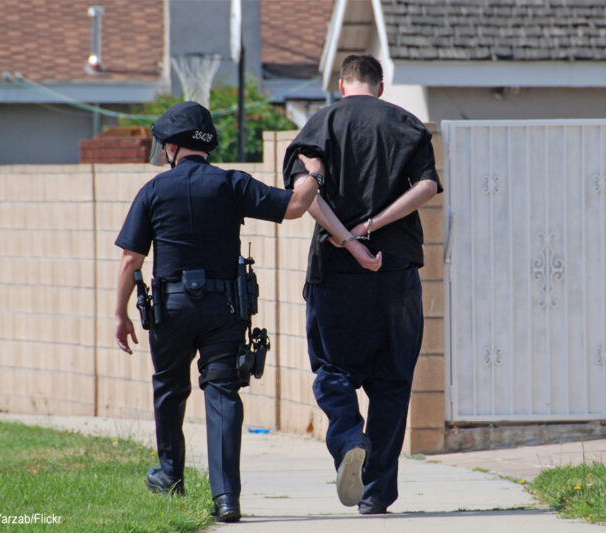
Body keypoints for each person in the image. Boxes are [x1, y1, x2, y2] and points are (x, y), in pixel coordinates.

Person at [114, 101, 323, 522]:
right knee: (223, 394)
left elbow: (130, 261)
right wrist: (314, 169)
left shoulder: (153, 191)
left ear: (172, 147)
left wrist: (119, 314)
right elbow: (297, 205)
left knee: (170, 390)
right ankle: (227, 498)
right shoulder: (231, 183)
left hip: (170, 311)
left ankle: (170, 476)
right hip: (224, 309)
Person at [282, 54, 442, 514]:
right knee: (392, 383)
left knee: (332, 370)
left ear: (341, 83)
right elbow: (427, 188)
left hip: (335, 273)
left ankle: (351, 438)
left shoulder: (320, 125)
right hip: (395, 270)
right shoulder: (407, 125)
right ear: (380, 85)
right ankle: (375, 494)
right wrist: (372, 226)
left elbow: (304, 194)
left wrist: (349, 241)